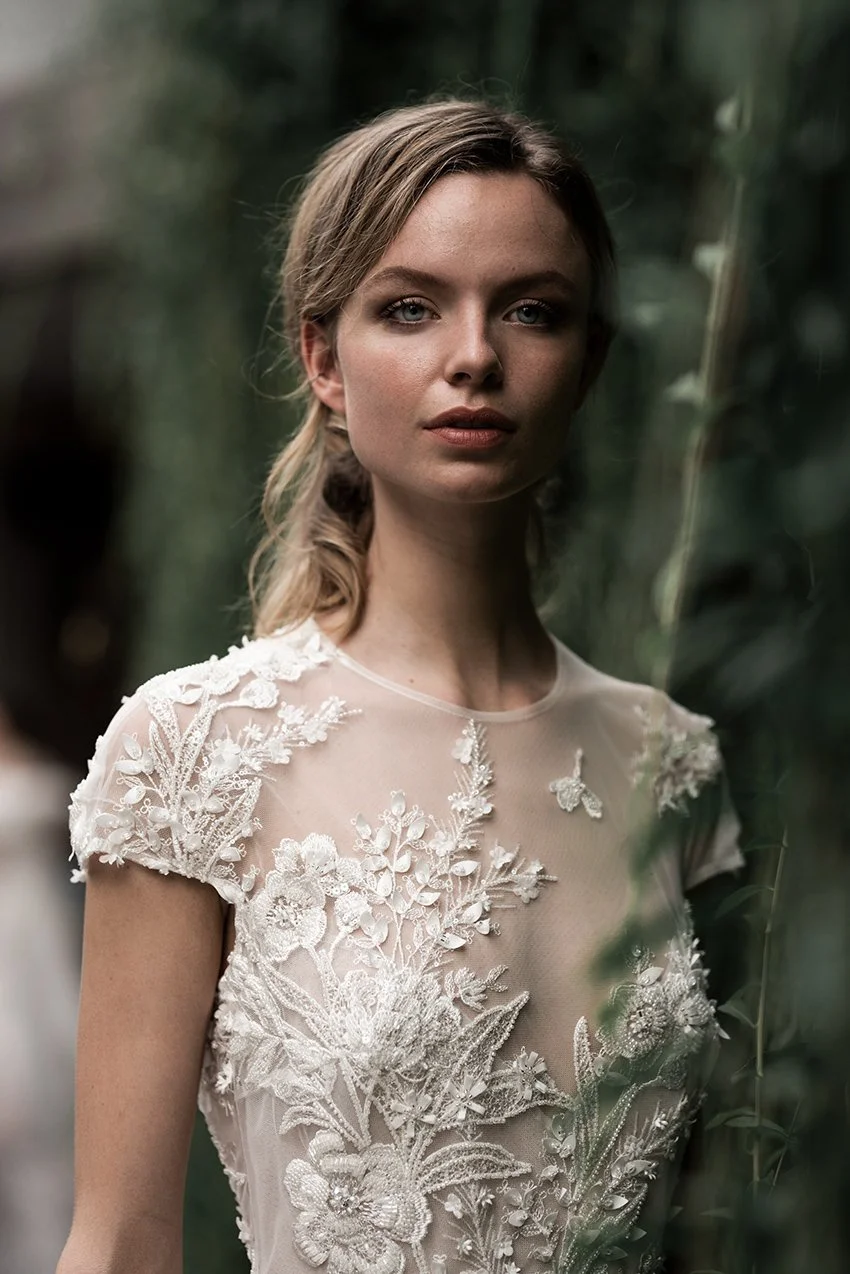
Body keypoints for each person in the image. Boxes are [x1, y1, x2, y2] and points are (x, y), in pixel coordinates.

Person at [57, 99, 744, 1274]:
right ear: (324, 358)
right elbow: (121, 1239)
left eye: (530, 310)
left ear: (587, 362)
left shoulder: (673, 763)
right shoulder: (192, 751)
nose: (472, 355)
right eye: (411, 308)